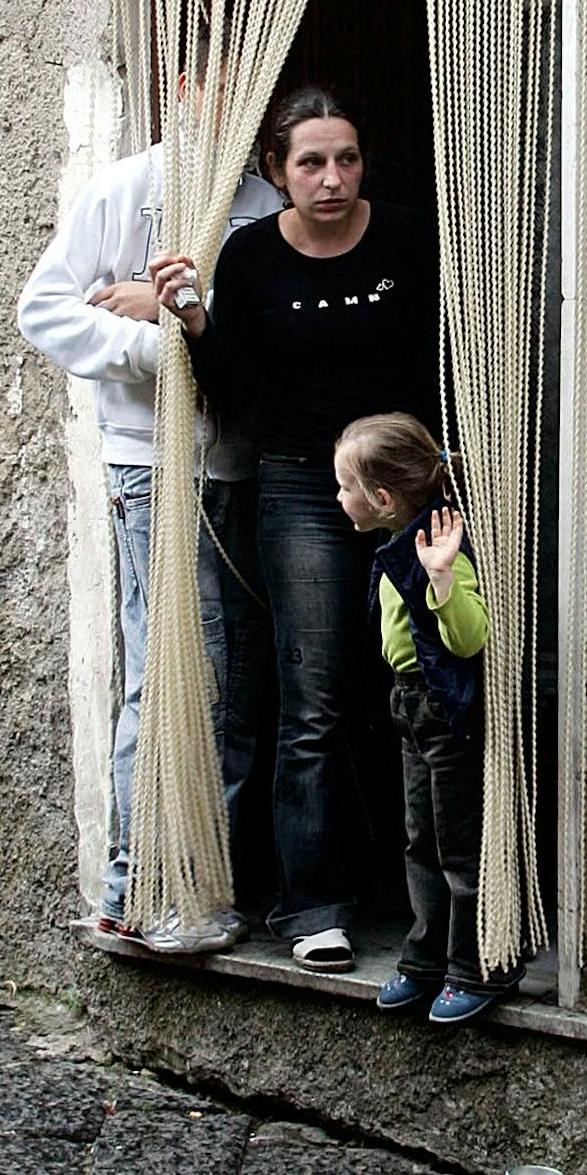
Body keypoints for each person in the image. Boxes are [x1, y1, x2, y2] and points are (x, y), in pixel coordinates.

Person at [151, 86, 437, 970]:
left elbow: (450, 355)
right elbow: (235, 396)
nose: (331, 177)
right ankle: (314, 906)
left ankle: (438, 903)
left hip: (406, 492)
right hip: (303, 492)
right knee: (313, 703)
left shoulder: (407, 236)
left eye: (345, 158)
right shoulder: (250, 259)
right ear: (275, 173)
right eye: (310, 162)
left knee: (422, 691)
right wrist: (197, 320)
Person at [17, 54, 280, 951]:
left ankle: (215, 881)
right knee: (164, 678)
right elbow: (45, 310)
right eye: (219, 86)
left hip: (246, 468)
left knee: (237, 688)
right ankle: (139, 887)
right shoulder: (125, 188)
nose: (233, 108)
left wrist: (181, 317)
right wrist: (157, 343)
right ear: (182, 91)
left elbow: (264, 336)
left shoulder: (264, 206)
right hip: (150, 464)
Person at [333, 412, 520, 1024]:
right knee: (420, 839)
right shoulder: (397, 545)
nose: (339, 499)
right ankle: (425, 958)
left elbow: (468, 640)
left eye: (345, 487)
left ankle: (477, 965)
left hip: (446, 711)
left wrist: (442, 577)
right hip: (409, 705)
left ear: (381, 498)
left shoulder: (437, 550)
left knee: (458, 846)